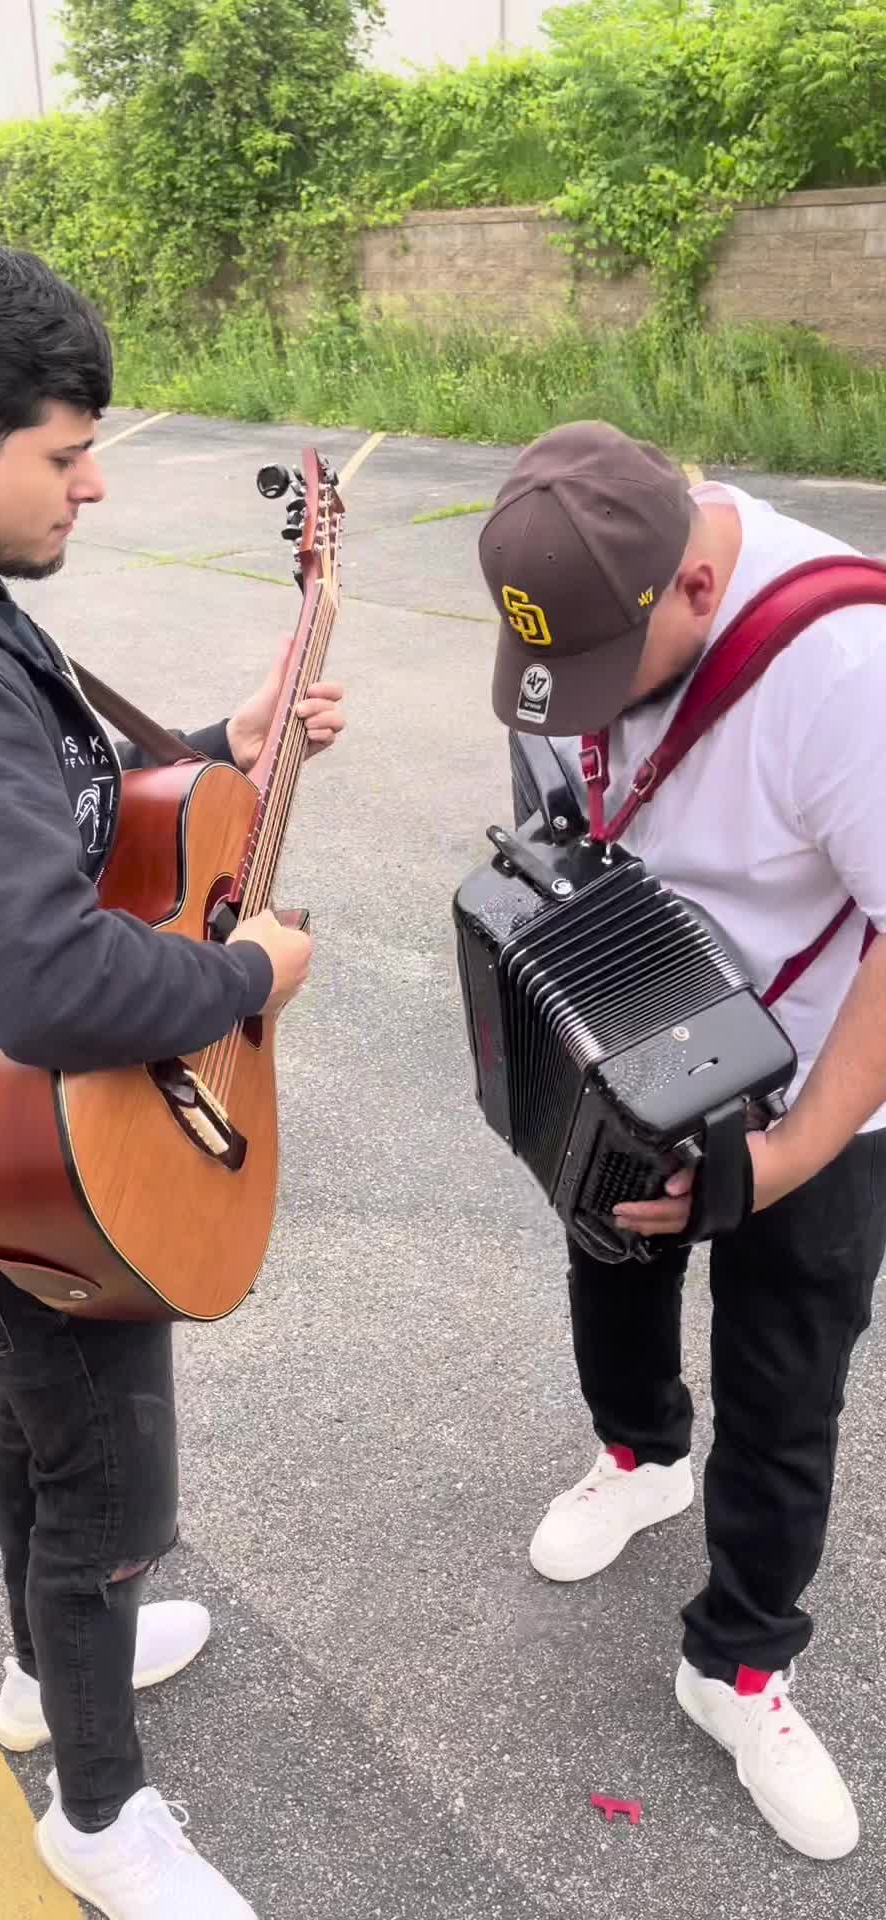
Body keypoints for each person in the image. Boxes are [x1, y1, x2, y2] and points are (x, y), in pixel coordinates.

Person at [0, 233, 344, 1919]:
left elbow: (50, 821)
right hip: (2, 1162)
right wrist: (249, 973)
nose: (96, 483)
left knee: (37, 1410)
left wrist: (222, 749)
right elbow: (41, 977)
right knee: (102, 1466)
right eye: (67, 450)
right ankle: (100, 1820)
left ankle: (46, 1673)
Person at [478, 420, 886, 1862]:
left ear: (697, 589)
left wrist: (784, 1158)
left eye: (611, 675)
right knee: (610, 1264)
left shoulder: (847, 672)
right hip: (638, 1040)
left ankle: (741, 1665)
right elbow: (557, 806)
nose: (580, 707)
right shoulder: (576, 604)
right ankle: (641, 1455)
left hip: (820, 1075)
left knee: (786, 1375)